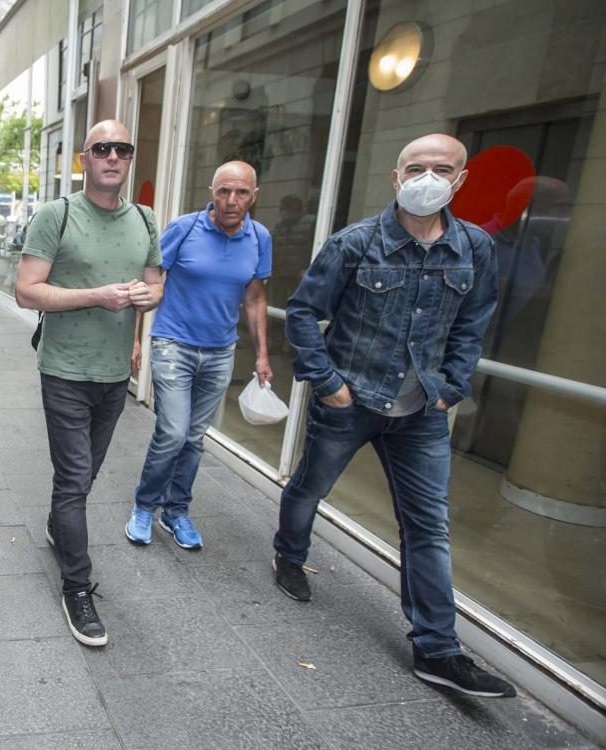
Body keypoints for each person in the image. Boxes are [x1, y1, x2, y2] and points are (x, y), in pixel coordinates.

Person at [274, 133, 513, 697]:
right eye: (416, 168)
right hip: (352, 401)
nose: (427, 178)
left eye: (441, 168)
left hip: (422, 412)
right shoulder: (355, 243)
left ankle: (438, 649)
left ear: (461, 179)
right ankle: (289, 555)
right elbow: (305, 314)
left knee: (428, 525)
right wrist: (330, 386)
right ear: (396, 176)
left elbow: (472, 324)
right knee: (309, 487)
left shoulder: (474, 248)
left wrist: (450, 388)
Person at [15, 120, 162, 647]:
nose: (113, 157)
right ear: (84, 159)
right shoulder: (58, 215)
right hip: (65, 371)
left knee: (86, 475)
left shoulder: (145, 218)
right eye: (102, 148)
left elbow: (155, 281)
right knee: (75, 478)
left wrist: (149, 299)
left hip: (113, 373)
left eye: (123, 148)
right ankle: (77, 586)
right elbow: (27, 292)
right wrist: (96, 296)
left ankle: (60, 524)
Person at [125, 161, 273, 549]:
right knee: (172, 432)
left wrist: (262, 355)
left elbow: (255, 299)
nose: (231, 200)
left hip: (221, 351)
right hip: (174, 343)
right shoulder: (184, 229)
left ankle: (176, 512)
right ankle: (144, 505)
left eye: (241, 192)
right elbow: (149, 282)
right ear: (212, 192)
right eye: (224, 191)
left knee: (193, 437)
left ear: (253, 197)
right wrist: (135, 339)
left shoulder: (259, 237)